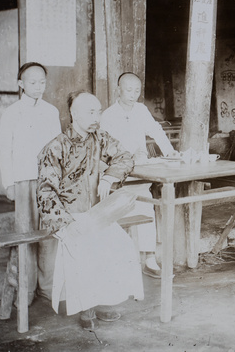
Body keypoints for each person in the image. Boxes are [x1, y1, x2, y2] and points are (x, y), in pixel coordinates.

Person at [37, 91, 143, 330]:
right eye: (90, 112)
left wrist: (108, 177)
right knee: (86, 254)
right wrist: (64, 225)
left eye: (98, 111)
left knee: (121, 247)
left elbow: (125, 157)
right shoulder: (55, 147)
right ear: (74, 113)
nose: (96, 117)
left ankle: (104, 301)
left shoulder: (101, 139)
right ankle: (87, 309)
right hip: (71, 217)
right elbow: (45, 191)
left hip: (98, 214)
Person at [100, 72, 179, 278]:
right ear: (118, 89)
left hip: (140, 168)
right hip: (119, 170)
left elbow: (155, 130)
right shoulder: (108, 115)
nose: (133, 94)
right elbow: (106, 146)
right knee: (121, 211)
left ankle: (149, 260)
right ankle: (122, 262)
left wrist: (168, 150)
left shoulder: (141, 110)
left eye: (137, 90)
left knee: (146, 207)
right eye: (128, 90)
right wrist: (128, 154)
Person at [0, 62, 61, 304]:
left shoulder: (51, 111)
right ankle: (26, 289)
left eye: (42, 82)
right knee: (26, 235)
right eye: (32, 82)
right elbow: (3, 148)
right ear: (21, 84)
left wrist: (58, 179)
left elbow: (57, 147)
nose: (38, 87)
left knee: (50, 233)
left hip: (48, 181)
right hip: (23, 180)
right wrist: (9, 183)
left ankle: (48, 286)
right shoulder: (13, 112)